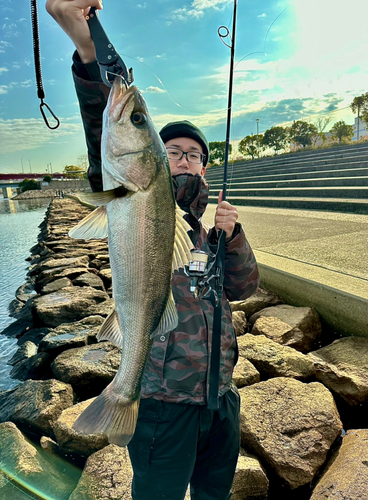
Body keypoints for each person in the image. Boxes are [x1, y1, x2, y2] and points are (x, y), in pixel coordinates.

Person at [46, 2, 260, 499]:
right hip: (162, 406)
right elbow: (109, 123)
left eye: (195, 155)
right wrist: (88, 44)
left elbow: (244, 289)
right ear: (158, 163)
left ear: (205, 169)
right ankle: (121, 395)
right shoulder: (127, 192)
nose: (185, 159)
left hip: (222, 403)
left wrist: (237, 235)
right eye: (174, 152)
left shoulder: (206, 236)